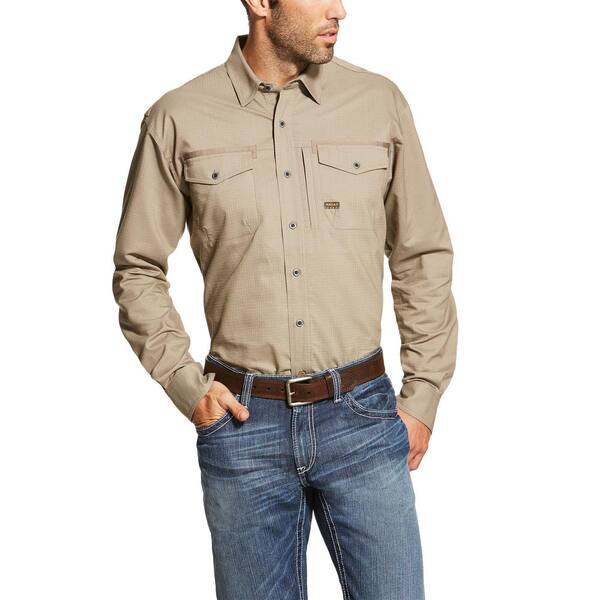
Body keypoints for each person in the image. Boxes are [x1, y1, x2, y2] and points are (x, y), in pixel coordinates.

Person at [112, 1, 458, 598]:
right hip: (242, 424)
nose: (340, 10)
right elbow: (138, 268)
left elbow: (420, 254)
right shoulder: (178, 118)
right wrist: (188, 387)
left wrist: (423, 394)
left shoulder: (378, 103)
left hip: (363, 415)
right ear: (260, 4)